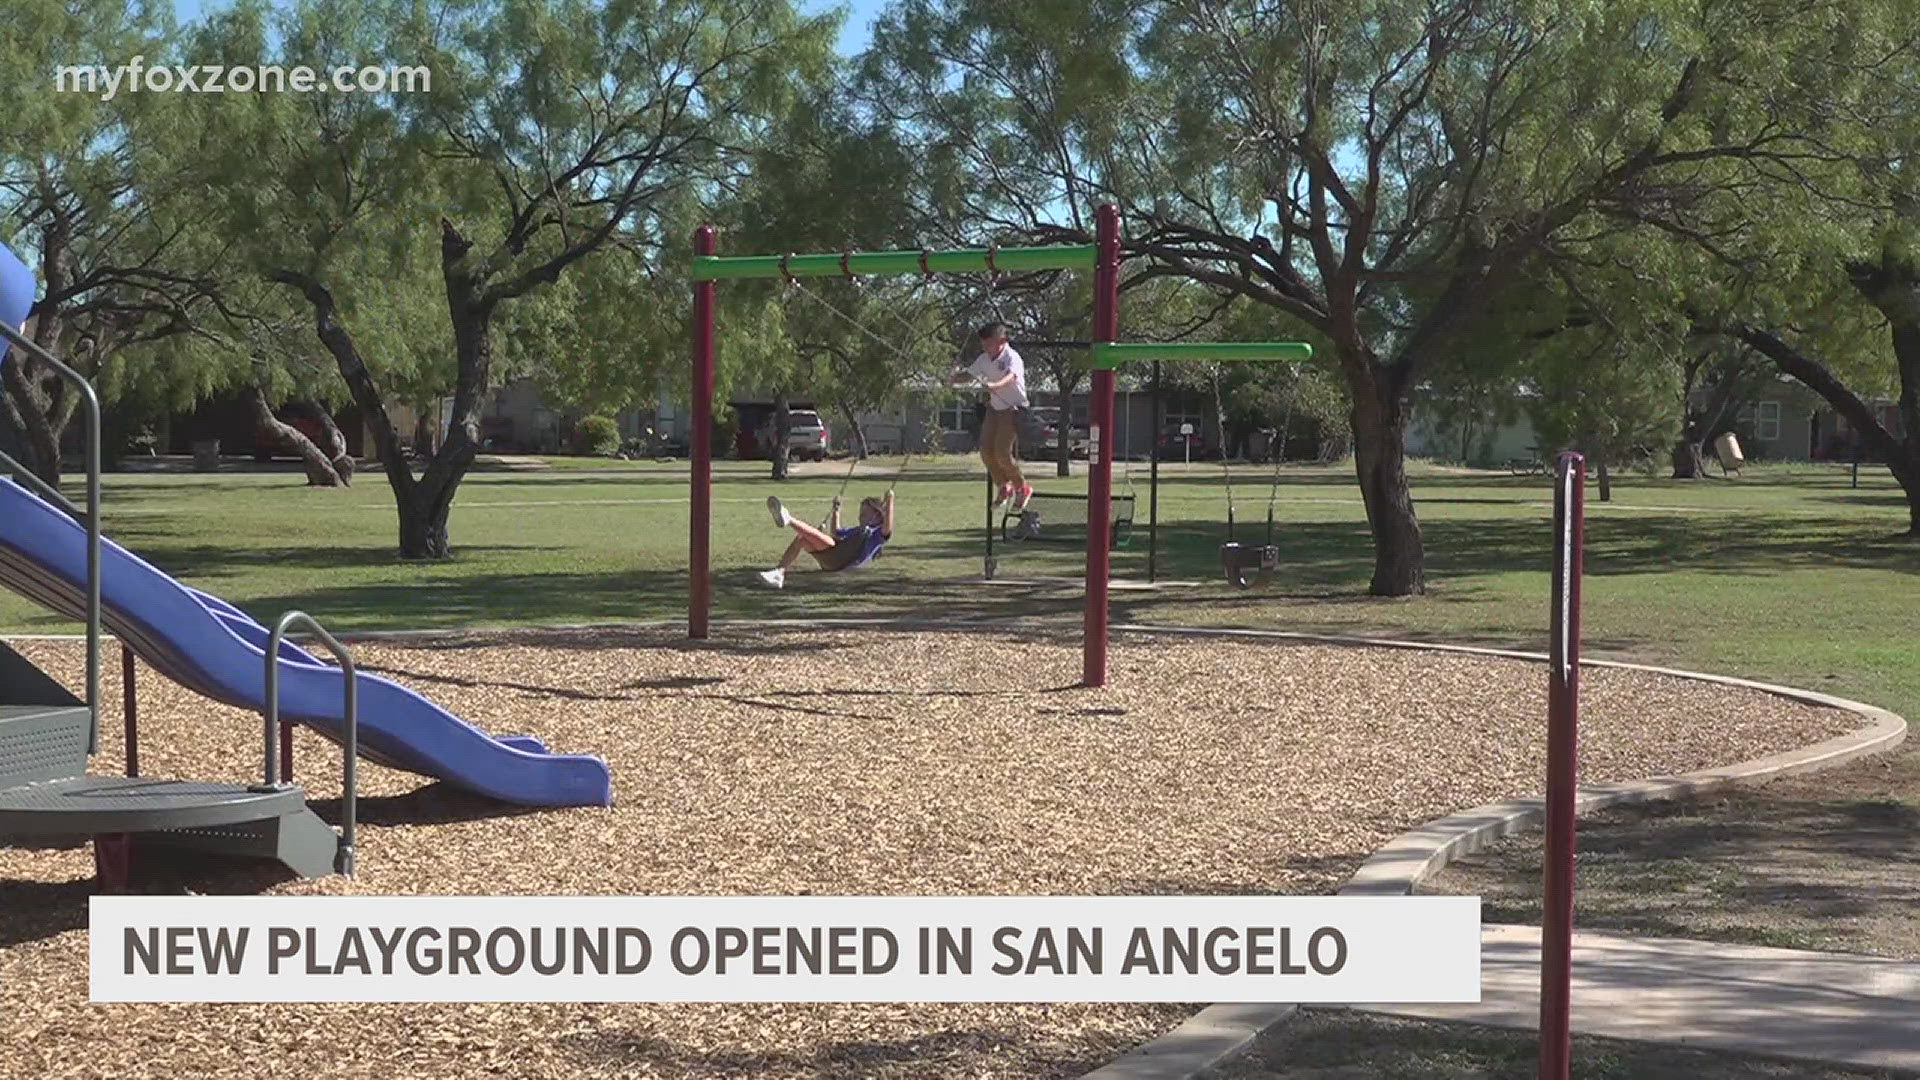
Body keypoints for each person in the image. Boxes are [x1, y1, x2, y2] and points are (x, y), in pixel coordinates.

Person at [951, 322, 1031, 509]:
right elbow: (969, 375)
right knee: (986, 452)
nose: (986, 348)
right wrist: (954, 378)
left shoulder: (1012, 357)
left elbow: (1011, 377)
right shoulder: (984, 359)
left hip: (1013, 409)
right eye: (983, 344)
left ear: (1002, 341)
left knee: (1002, 453)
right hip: (994, 410)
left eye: (989, 344)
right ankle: (1004, 487)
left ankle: (1022, 487)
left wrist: (994, 386)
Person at [757, 491, 893, 588]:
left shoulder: (876, 536)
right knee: (802, 540)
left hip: (843, 561)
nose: (860, 517)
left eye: (864, 514)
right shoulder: (856, 531)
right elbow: (836, 532)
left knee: (826, 542)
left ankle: (789, 519)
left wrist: (890, 502)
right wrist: (836, 511)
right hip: (832, 559)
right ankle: (779, 572)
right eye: (860, 513)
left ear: (877, 515)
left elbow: (887, 528)